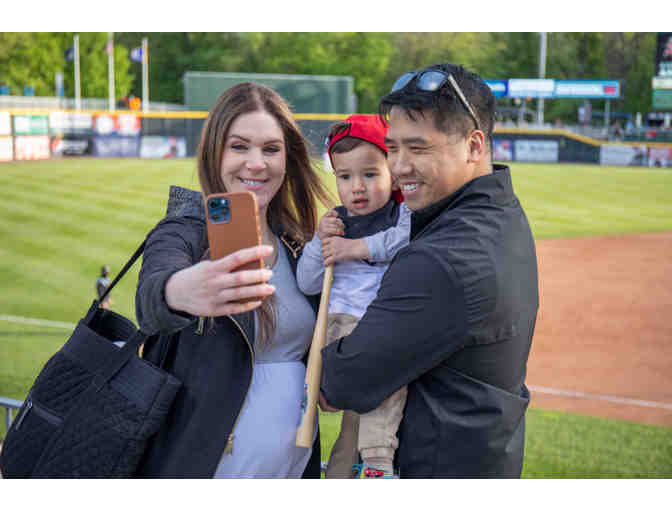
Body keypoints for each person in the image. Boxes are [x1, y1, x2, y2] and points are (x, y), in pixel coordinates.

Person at [319, 63, 539, 478]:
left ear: (474, 146)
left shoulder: (442, 258)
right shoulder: (500, 210)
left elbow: (342, 383)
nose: (400, 166)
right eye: (393, 148)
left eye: (417, 148)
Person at [134, 82, 334, 478]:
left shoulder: (300, 244)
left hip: (289, 470)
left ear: (288, 158)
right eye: (239, 146)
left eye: (271, 149)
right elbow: (153, 296)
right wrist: (180, 292)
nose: (256, 163)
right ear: (215, 152)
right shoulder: (185, 230)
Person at [297, 114, 411, 478]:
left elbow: (401, 242)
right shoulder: (335, 221)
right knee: (371, 395)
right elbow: (308, 282)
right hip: (337, 329)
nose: (357, 187)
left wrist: (354, 247)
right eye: (345, 177)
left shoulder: (402, 214)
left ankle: (372, 464)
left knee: (372, 408)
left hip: (378, 327)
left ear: (392, 171)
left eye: (370, 174)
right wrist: (320, 242)